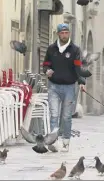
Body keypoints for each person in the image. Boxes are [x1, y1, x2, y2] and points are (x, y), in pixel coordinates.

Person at [42, 23, 85, 152]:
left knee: (66, 116)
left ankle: (66, 141)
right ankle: (53, 142)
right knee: (54, 115)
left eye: (66, 33)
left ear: (69, 34)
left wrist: (81, 82)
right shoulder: (51, 49)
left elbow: (78, 68)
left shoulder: (75, 50)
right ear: (58, 34)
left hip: (69, 87)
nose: (64, 35)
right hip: (53, 86)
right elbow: (45, 65)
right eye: (62, 33)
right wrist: (47, 71)